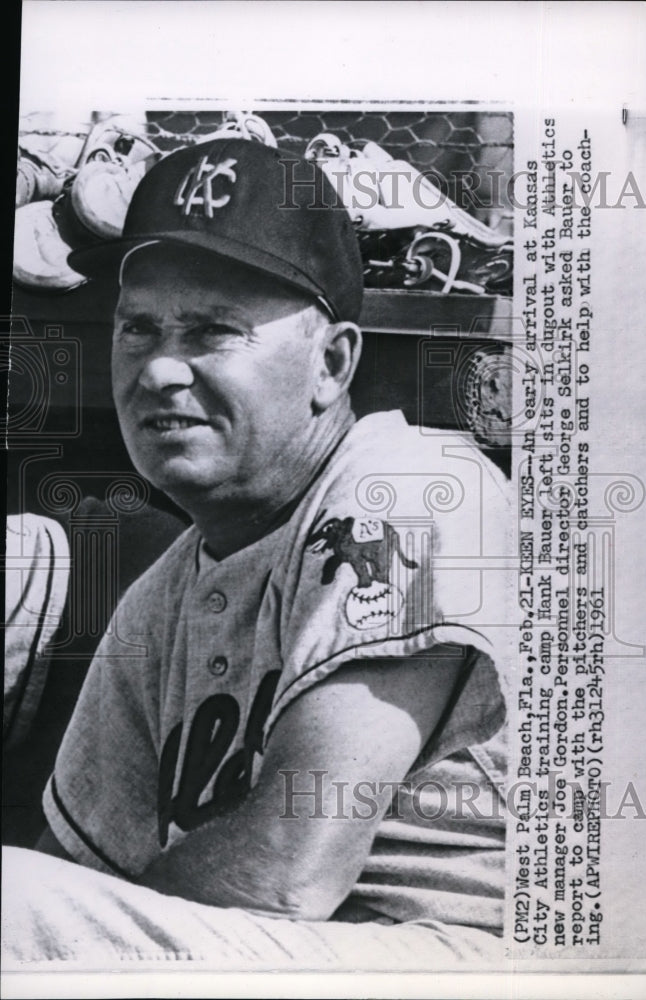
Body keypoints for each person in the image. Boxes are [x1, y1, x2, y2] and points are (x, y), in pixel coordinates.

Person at [2, 137, 513, 970]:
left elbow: (290, 869)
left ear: (332, 363)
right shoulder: (161, 598)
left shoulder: (408, 490)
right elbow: (82, 875)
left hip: (468, 956)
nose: (161, 368)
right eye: (138, 327)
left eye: (212, 331)